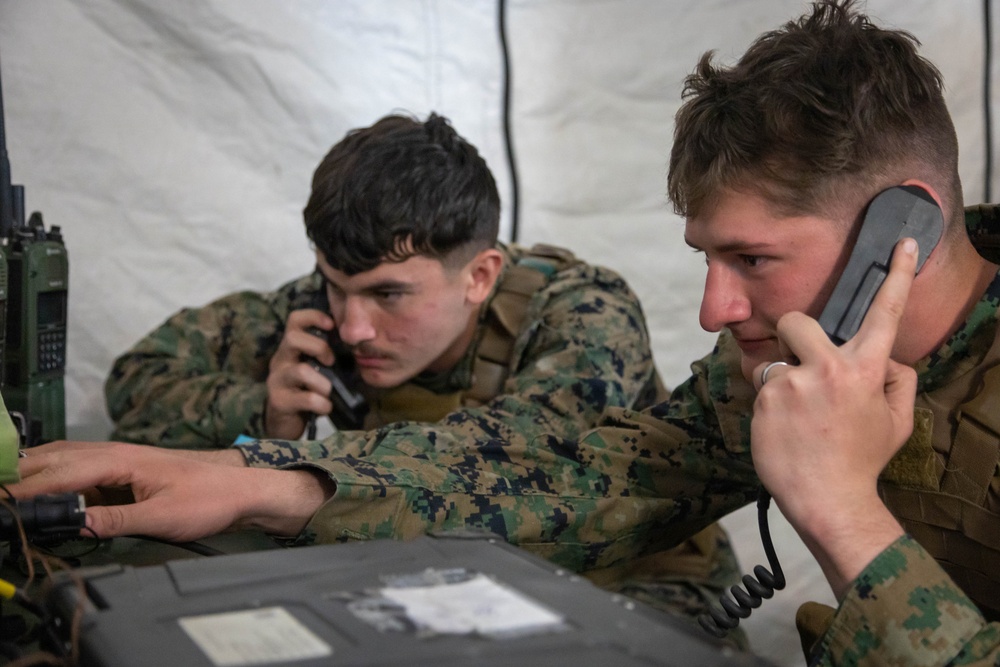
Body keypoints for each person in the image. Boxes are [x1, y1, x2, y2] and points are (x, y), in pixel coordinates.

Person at [15, 2, 1000, 662]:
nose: (713, 310)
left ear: (900, 227)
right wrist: (274, 477)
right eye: (707, 257)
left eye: (751, 259)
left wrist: (842, 515)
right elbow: (583, 472)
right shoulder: (774, 366)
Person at [96, 111, 745, 633]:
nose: (353, 327)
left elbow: (530, 466)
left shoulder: (581, 310)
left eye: (389, 295)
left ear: (481, 274)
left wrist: (269, 478)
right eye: (334, 285)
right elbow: (139, 379)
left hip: (627, 584)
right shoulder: (324, 309)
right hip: (431, 580)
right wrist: (261, 415)